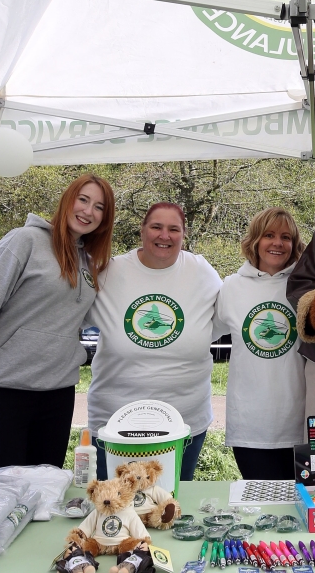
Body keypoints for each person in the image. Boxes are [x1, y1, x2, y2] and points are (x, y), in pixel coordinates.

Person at [0, 174, 114, 470]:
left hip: (57, 395)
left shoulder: (89, 262)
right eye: (83, 200)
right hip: (3, 391)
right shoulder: (24, 241)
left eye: (99, 207)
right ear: (67, 200)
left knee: (42, 494)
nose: (88, 211)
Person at [87, 202, 222, 481]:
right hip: (116, 424)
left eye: (174, 229)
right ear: (142, 230)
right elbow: (69, 314)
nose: (165, 235)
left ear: (183, 235)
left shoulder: (201, 271)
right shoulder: (109, 271)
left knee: (168, 509)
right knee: (117, 509)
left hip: (185, 422)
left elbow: (222, 320)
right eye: (156, 227)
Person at [215, 207, 306, 480]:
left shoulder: (305, 285)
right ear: (255, 240)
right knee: (262, 510)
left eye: (286, 237)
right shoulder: (230, 287)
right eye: (269, 235)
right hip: (250, 426)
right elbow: (201, 334)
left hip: (299, 423)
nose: (277, 243)